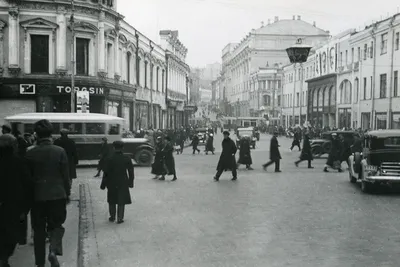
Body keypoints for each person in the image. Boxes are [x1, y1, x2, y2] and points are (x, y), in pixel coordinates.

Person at [26, 119, 70, 267]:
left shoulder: (30, 153)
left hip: (37, 197)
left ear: (36, 135)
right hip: (57, 195)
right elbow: (66, 176)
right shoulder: (59, 151)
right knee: (57, 225)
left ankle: (39, 263)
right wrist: (67, 193)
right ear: (51, 133)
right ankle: (53, 250)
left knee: (38, 230)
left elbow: (27, 178)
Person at [0, 134, 32, 267]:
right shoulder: (19, 162)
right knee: (11, 234)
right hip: (13, 206)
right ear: (13, 146)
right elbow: (27, 185)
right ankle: (4, 259)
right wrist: (26, 207)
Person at [100, 141, 134, 224]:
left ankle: (112, 216)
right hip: (123, 181)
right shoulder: (127, 158)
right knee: (121, 199)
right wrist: (130, 182)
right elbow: (131, 172)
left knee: (112, 199)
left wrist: (103, 184)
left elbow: (106, 172)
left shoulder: (109, 158)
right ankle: (120, 218)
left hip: (111, 181)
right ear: (122, 148)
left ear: (113, 148)